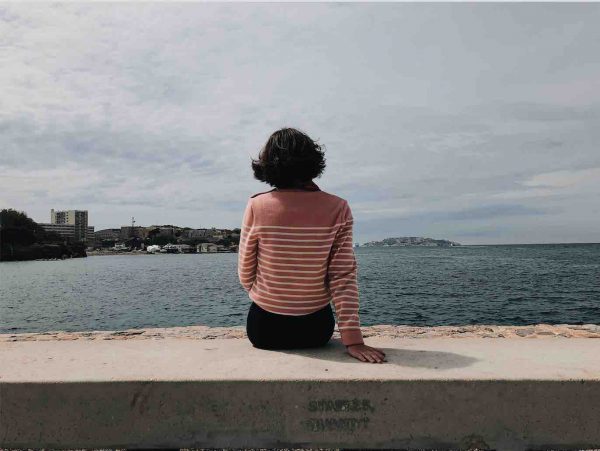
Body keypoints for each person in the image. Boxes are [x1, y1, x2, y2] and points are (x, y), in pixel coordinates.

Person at [238, 128, 386, 364]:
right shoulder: (338, 207)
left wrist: (271, 297)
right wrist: (353, 339)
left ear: (267, 164)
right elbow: (342, 276)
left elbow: (246, 272)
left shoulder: (257, 205)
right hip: (316, 330)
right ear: (313, 161)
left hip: (264, 329)